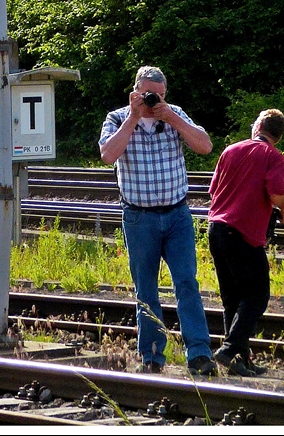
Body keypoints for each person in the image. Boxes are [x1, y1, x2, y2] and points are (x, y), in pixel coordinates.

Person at [99, 65, 216, 376]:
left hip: (177, 215)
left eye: (159, 95)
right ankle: (152, 356)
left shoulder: (173, 114)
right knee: (146, 290)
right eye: (149, 94)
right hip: (139, 217)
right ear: (136, 91)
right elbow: (108, 155)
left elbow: (205, 146)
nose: (154, 100)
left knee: (187, 283)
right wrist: (134, 117)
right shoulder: (117, 118)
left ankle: (199, 354)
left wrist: (171, 117)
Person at [208, 108, 284, 377]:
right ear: (278, 136)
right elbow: (277, 194)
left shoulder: (230, 150)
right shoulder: (274, 156)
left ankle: (239, 361)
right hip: (242, 233)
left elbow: (213, 190)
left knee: (232, 298)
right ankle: (231, 349)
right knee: (256, 296)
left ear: (257, 127)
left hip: (216, 229)